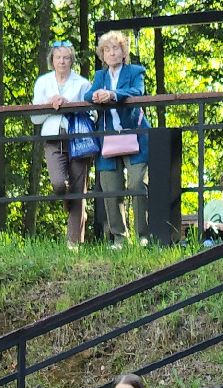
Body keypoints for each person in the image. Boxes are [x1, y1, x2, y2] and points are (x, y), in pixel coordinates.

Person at [89, 30, 151, 248]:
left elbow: (138, 91)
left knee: (137, 184)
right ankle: (119, 238)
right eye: (107, 50)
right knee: (110, 188)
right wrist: (96, 95)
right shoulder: (100, 76)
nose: (112, 53)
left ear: (124, 52)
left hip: (135, 136)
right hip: (108, 140)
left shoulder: (135, 71)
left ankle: (143, 236)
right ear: (102, 55)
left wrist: (113, 95)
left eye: (116, 48)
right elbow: (88, 95)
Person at [31, 40, 92, 247]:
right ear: (52, 60)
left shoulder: (82, 83)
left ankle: (73, 244)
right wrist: (50, 105)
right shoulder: (43, 82)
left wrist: (70, 106)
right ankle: (68, 200)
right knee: (58, 184)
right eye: (58, 57)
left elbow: (92, 114)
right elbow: (35, 118)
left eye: (66, 57)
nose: (62, 61)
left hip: (78, 140)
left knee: (78, 192)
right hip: (52, 140)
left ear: (72, 60)